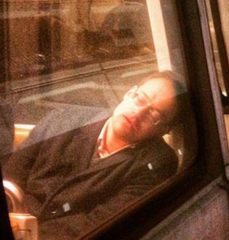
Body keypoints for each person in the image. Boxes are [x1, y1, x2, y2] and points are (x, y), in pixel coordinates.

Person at [2, 71, 183, 239]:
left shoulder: (156, 165)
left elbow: (97, 224)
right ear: (129, 93)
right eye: (140, 98)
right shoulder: (63, 120)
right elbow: (12, 177)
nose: (138, 113)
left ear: (163, 130)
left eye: (154, 114)